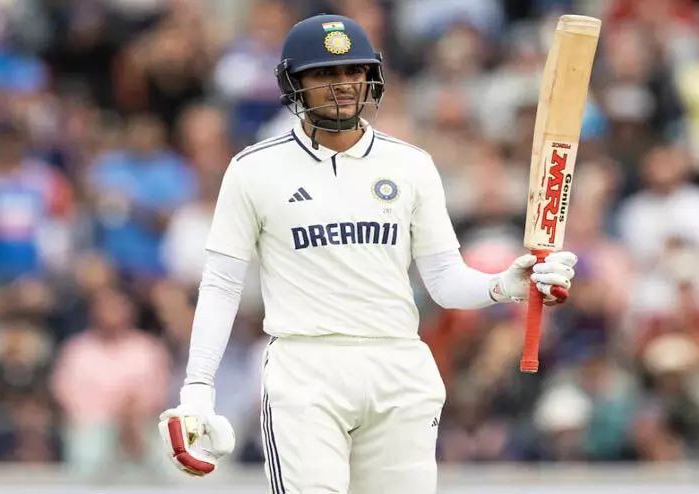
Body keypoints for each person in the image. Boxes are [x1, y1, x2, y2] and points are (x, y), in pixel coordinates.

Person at [157, 13, 577, 494]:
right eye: (324, 73)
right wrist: (197, 389)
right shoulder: (254, 169)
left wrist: (505, 285)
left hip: (399, 364)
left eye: (353, 70)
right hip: (305, 368)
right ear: (294, 84)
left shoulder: (411, 165)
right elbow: (221, 284)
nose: (342, 84)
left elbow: (444, 279)